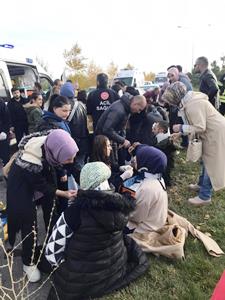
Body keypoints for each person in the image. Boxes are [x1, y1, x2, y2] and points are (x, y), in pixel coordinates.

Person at [46, 161, 148, 300]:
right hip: (115, 268)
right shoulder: (120, 205)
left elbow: (51, 253)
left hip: (83, 279)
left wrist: (66, 268)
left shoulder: (74, 213)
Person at [7, 129, 79, 282]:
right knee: (29, 224)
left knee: (51, 211)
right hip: (21, 188)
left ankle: (51, 247)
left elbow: (54, 176)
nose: (71, 161)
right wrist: (63, 193)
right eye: (68, 159)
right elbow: (42, 186)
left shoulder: (52, 143)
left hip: (41, 178)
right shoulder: (29, 161)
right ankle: (29, 262)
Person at [162, 81, 225, 206]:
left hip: (215, 134)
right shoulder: (188, 101)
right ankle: (201, 184)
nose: (169, 103)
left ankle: (205, 196)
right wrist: (180, 134)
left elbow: (200, 127)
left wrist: (180, 128)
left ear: (175, 97)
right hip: (210, 133)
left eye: (169, 100)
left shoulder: (193, 105)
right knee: (204, 160)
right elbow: (193, 123)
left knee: (210, 164)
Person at [127, 145, 168, 233]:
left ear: (147, 163)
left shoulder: (146, 189)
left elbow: (136, 217)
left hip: (146, 228)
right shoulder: (157, 178)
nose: (134, 159)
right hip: (155, 221)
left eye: (138, 158)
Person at [95, 93, 147, 162]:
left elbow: (122, 127)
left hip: (109, 139)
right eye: (139, 109)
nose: (138, 112)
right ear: (135, 104)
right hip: (102, 141)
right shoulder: (119, 110)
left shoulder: (126, 108)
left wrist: (122, 140)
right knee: (107, 163)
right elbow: (107, 129)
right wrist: (122, 140)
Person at [60, 82, 89, 174]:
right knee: (81, 167)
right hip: (83, 142)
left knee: (69, 168)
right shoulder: (81, 105)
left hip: (70, 142)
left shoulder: (63, 107)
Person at [152, 121, 177, 186]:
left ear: (161, 130)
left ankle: (166, 182)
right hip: (165, 164)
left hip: (165, 165)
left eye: (155, 129)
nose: (152, 131)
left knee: (166, 173)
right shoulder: (162, 139)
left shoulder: (165, 143)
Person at [0, 98, 10, 165]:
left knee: (4, 154)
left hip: (2, 133)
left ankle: (6, 169)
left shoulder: (1, 103)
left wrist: (4, 131)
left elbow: (6, 117)